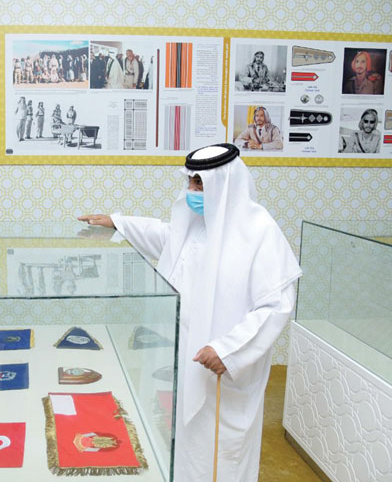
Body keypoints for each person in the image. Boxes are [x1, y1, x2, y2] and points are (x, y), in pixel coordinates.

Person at [79, 143, 301, 482]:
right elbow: (164, 237)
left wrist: (227, 350)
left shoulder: (259, 232)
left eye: (200, 183)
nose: (193, 191)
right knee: (185, 443)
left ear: (224, 184)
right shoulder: (197, 224)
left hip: (223, 367)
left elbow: (276, 305)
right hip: (187, 357)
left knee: (221, 450)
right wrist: (118, 223)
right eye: (191, 182)